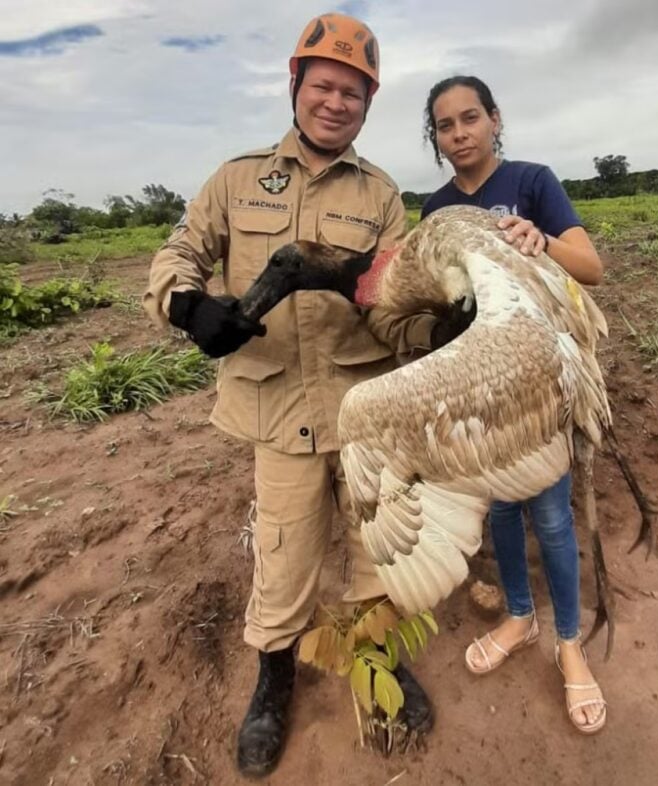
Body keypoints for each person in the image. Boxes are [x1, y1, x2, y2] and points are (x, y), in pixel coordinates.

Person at [143, 13, 455, 778]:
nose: (337, 102)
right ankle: (273, 680)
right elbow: (181, 253)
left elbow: (390, 306)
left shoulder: (381, 195)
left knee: (373, 549)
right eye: (324, 85)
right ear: (295, 86)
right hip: (277, 408)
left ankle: (373, 660)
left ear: (368, 103)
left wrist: (438, 327)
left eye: (354, 92)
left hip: (363, 407)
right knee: (283, 555)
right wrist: (187, 305)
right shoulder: (237, 178)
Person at [420, 75, 607, 735]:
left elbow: (590, 266)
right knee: (497, 506)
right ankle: (519, 618)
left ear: (495, 120)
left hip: (538, 385)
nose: (460, 133)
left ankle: (569, 643)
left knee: (552, 516)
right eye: (445, 125)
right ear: (436, 139)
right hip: (478, 389)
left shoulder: (532, 182)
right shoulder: (435, 209)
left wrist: (540, 242)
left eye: (471, 118)